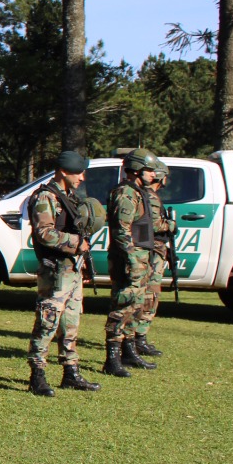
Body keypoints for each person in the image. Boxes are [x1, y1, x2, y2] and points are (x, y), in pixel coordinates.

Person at [25, 150, 102, 397]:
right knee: (47, 322)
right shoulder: (45, 197)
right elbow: (44, 233)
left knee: (71, 323)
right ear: (63, 171)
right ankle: (37, 375)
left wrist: (83, 260)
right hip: (55, 272)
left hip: (72, 270)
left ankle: (71, 372)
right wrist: (77, 243)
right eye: (78, 172)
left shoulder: (69, 197)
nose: (82, 177)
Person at [104, 148, 161, 377]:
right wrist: (132, 260)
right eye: (149, 170)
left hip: (140, 260)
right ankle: (112, 359)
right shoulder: (126, 193)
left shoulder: (138, 192)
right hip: (129, 261)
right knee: (122, 307)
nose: (153, 174)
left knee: (135, 307)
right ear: (136, 169)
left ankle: (128, 351)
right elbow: (121, 231)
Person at [134, 158, 174, 358]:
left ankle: (136, 337)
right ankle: (138, 337)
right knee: (150, 293)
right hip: (152, 251)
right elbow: (155, 225)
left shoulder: (146, 195)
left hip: (152, 250)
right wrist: (171, 225)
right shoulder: (150, 197)